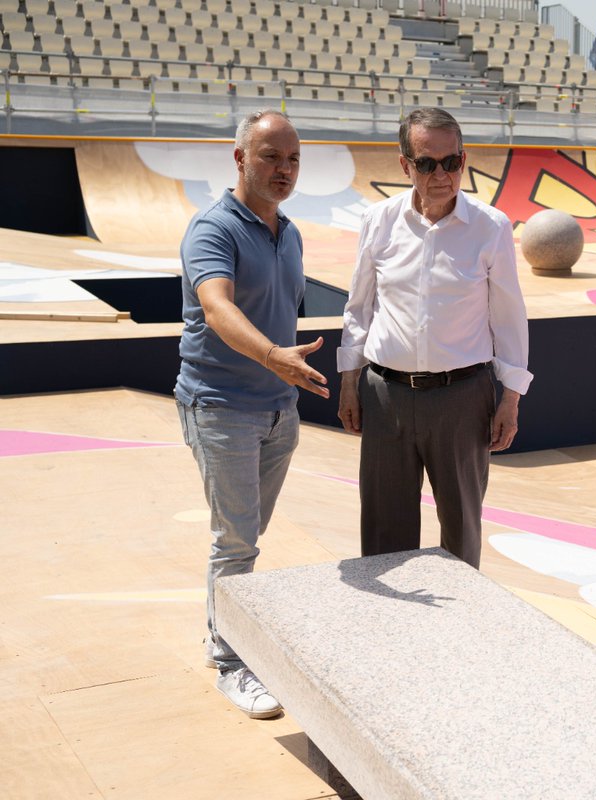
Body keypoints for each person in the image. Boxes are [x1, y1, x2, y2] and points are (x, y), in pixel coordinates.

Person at [176, 110, 329, 719]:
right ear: (240, 158)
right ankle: (229, 661)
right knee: (236, 540)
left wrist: (282, 376)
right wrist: (272, 356)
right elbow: (217, 308)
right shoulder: (212, 229)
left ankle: (226, 626)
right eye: (270, 156)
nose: (283, 169)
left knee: (246, 536)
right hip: (221, 407)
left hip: (277, 411)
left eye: (292, 159)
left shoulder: (289, 232)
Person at [337, 107, 531, 569]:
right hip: (385, 397)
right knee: (384, 534)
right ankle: (389, 614)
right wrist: (349, 382)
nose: (441, 175)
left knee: (461, 532)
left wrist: (511, 397)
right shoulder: (378, 220)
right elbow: (360, 306)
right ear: (405, 165)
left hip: (462, 400)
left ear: (463, 159)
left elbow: (508, 316)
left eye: (451, 162)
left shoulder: (491, 227)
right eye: (426, 163)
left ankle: (462, 615)